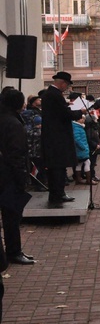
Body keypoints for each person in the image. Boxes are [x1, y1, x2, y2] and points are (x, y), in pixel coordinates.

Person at [0, 89, 35, 264]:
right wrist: (22, 178)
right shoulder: (13, 123)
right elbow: (17, 154)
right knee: (12, 216)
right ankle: (14, 251)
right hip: (9, 177)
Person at [41, 71, 83, 207]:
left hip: (53, 136)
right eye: (67, 85)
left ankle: (57, 193)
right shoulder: (55, 95)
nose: (67, 88)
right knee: (58, 167)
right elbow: (64, 114)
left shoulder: (49, 94)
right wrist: (79, 112)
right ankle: (58, 194)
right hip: (57, 138)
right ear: (63, 83)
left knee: (56, 168)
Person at [21, 95, 45, 189]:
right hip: (34, 142)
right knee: (36, 163)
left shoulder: (38, 112)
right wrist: (37, 128)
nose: (40, 100)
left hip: (38, 141)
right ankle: (37, 183)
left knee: (39, 162)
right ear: (33, 102)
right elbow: (28, 128)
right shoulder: (30, 113)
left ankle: (40, 181)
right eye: (38, 99)